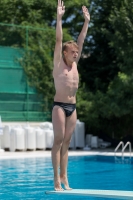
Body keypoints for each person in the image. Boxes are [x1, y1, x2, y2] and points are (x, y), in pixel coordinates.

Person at [52, 0, 90, 191]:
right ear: (65, 53)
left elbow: (82, 40)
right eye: (73, 51)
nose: (76, 54)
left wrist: (86, 22)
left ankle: (64, 176)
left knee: (67, 142)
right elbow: (59, 40)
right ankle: (56, 180)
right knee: (58, 140)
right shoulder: (59, 64)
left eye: (77, 52)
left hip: (72, 107)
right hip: (59, 105)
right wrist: (59, 18)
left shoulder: (75, 65)